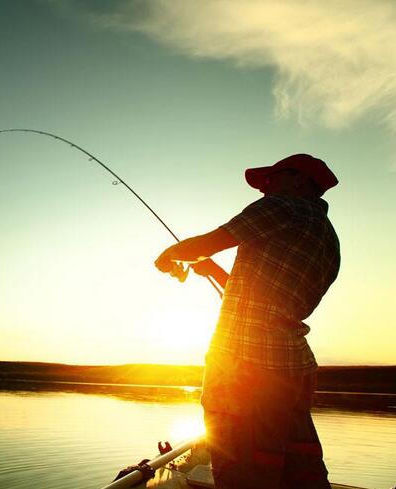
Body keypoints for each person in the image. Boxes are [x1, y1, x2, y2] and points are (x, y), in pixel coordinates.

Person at [154, 154, 340, 489]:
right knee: (298, 462)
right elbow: (268, 301)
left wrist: (170, 254)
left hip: (245, 364)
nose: (265, 189)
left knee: (240, 463)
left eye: (273, 179)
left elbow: (211, 241)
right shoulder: (328, 237)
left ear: (298, 180)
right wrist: (211, 269)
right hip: (295, 367)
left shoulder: (281, 207)